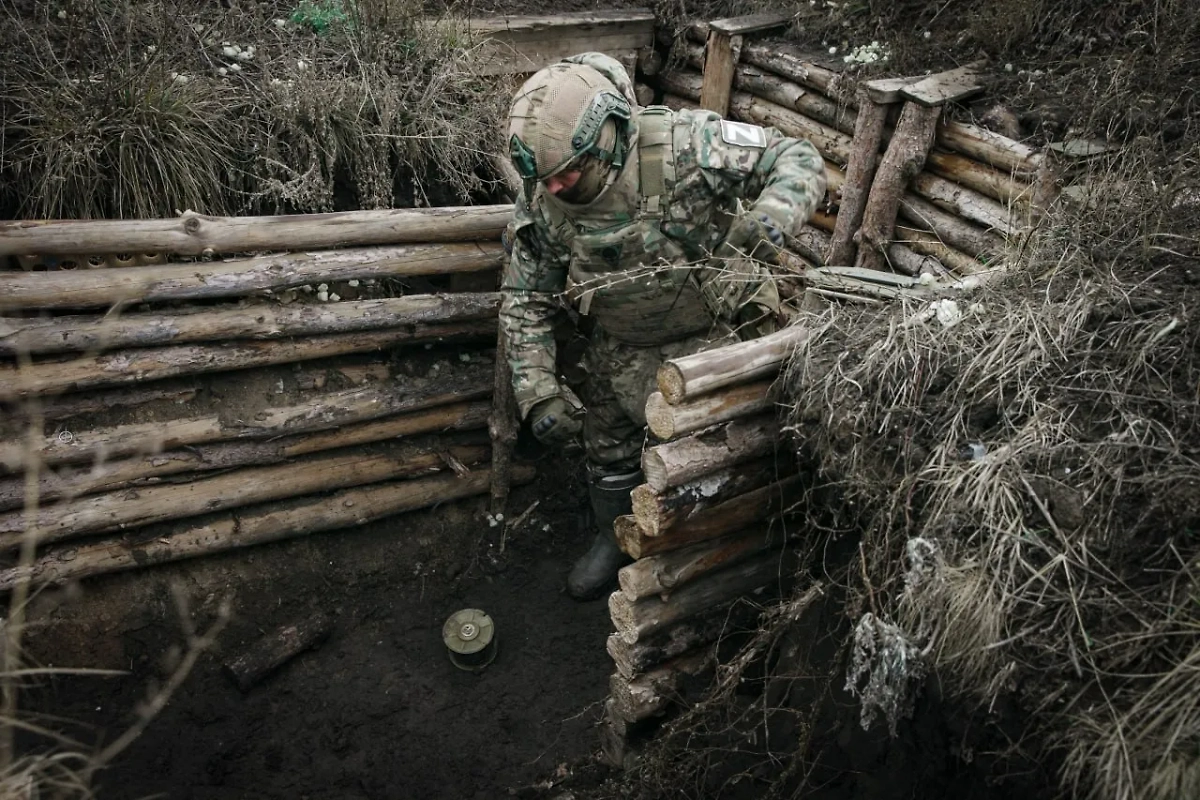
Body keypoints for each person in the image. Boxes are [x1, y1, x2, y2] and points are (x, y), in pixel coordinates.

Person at [500, 52, 827, 600]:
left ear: (606, 135)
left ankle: (720, 552)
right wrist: (537, 390)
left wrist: (768, 220)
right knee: (607, 451)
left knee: (726, 455)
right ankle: (614, 538)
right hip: (621, 342)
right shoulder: (545, 201)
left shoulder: (688, 144)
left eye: (567, 173)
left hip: (719, 335)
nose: (554, 189)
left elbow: (796, 157)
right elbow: (525, 296)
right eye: (545, 180)